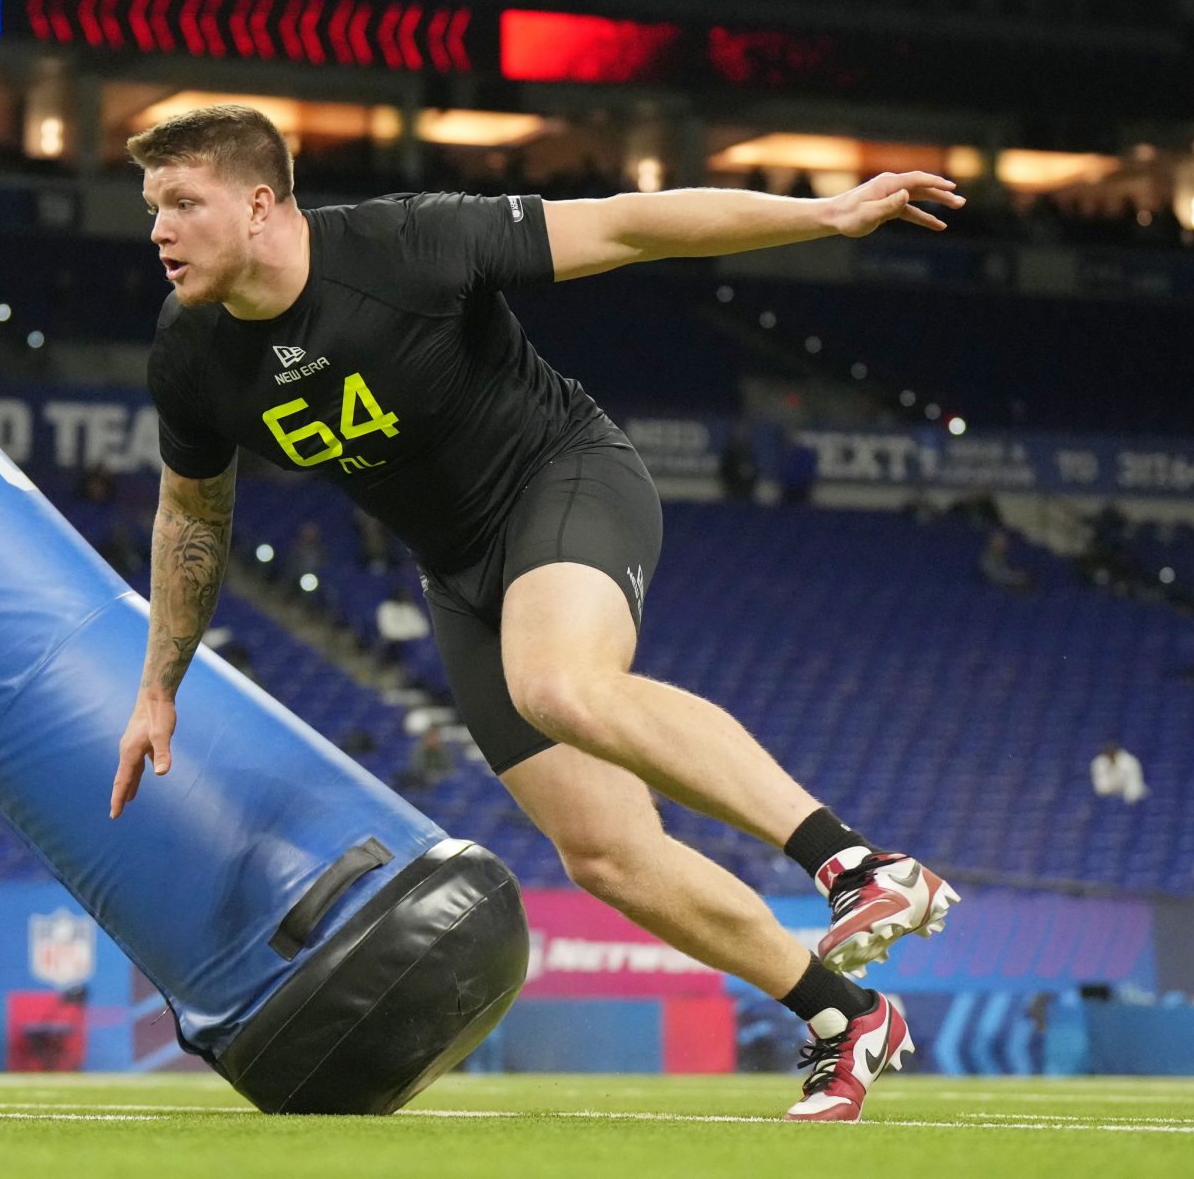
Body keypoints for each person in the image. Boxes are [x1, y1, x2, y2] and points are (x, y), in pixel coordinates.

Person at [107, 104, 966, 1122]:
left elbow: (631, 223)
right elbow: (193, 514)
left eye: (181, 203)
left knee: (559, 684)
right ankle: (845, 1014)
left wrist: (822, 217)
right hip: (460, 571)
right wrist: (159, 682)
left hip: (564, 478)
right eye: (153, 205)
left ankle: (860, 863)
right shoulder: (191, 351)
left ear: (258, 204)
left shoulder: (408, 243)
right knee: (602, 852)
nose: (157, 229)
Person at [374, 586, 431, 663]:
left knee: (426, 649)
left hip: (412, 643)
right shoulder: (386, 607)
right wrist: (410, 633)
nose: (404, 597)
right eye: (402, 595)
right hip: (393, 643)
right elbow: (389, 631)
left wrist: (408, 634)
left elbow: (424, 629)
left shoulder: (410, 608)